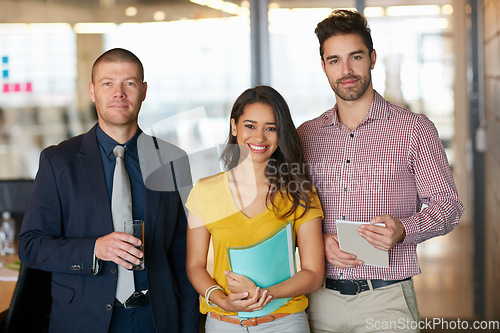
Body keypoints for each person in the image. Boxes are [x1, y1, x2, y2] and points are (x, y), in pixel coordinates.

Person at [297, 9, 464, 333]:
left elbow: (449, 206)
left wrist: (403, 229)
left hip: (386, 300)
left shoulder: (414, 129)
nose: (345, 70)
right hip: (317, 299)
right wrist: (316, 240)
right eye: (334, 60)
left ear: (372, 58)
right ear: (323, 67)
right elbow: (285, 212)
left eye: (355, 57)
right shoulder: (306, 136)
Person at [18, 48, 199, 333]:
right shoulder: (58, 161)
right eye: (107, 83)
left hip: (156, 319)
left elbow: (184, 254)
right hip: (82, 319)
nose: (119, 93)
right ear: (92, 91)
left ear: (143, 90)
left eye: (129, 83)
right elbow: (31, 245)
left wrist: (189, 327)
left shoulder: (171, 159)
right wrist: (94, 248)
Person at [185, 85, 325, 332]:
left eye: (270, 128)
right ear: (234, 127)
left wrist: (262, 294)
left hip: (285, 323)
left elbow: (313, 273)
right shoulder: (205, 191)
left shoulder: (301, 193)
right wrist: (222, 301)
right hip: (224, 323)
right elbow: (195, 265)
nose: (259, 137)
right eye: (250, 126)